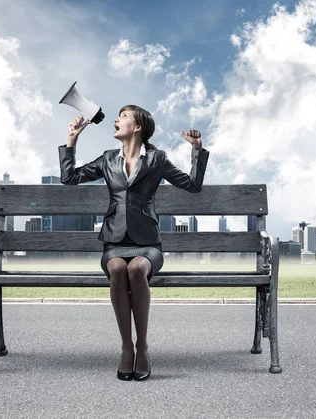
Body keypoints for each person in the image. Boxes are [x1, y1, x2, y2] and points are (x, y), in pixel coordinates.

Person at [58, 105, 210, 381]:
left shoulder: (157, 159)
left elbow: (192, 185)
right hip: (114, 243)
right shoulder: (107, 159)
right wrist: (72, 140)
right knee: (118, 269)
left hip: (148, 245)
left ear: (137, 127)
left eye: (123, 116)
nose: (116, 119)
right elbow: (69, 178)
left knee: (136, 269)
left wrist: (197, 149)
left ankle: (143, 347)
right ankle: (126, 348)